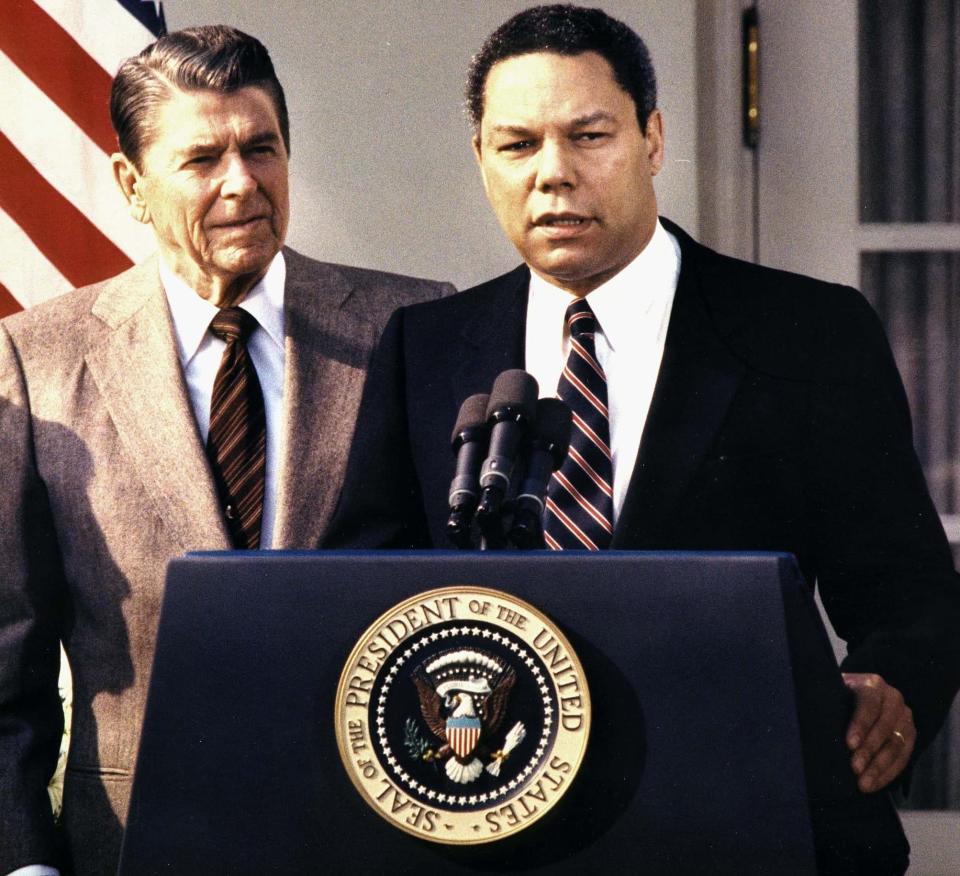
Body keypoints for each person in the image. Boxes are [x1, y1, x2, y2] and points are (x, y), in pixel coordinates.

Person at [326, 4, 960, 870]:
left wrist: (892, 690)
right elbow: (360, 596)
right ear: (481, 160)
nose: (554, 175)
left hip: (743, 822)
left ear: (653, 139)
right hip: (499, 834)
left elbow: (912, 596)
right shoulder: (425, 348)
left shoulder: (807, 333)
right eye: (517, 146)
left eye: (590, 136)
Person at [0, 25, 451, 876]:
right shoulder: (39, 360)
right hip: (136, 847)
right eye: (203, 159)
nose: (242, 183)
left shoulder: (410, 326)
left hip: (377, 842)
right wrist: (26, 864)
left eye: (262, 149)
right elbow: (5, 670)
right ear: (133, 185)